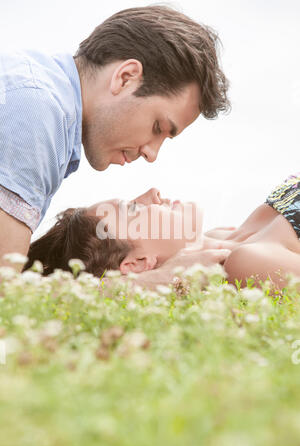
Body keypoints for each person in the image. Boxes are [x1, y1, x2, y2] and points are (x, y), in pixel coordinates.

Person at [0, 5, 230, 270]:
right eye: (158, 127)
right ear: (125, 78)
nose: (151, 154)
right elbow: (6, 293)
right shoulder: (35, 115)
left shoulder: (37, 92)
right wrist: (148, 283)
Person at [23, 175, 300, 290]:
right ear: (138, 263)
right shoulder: (246, 261)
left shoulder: (227, 235)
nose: (152, 194)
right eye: (133, 209)